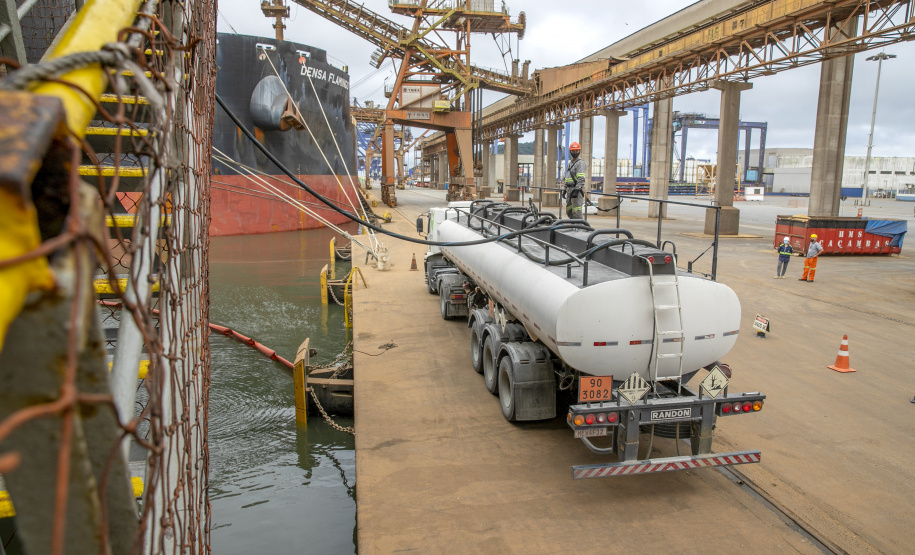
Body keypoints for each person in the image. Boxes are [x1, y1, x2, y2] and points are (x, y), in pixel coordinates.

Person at [562, 142, 587, 219]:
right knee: (569, 210)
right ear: (570, 151)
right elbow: (567, 178)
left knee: (577, 212)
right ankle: (573, 224)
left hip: (576, 191)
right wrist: (565, 189)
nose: (575, 152)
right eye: (573, 151)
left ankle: (579, 225)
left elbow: (581, 179)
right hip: (569, 190)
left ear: (579, 151)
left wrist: (577, 189)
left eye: (577, 151)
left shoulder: (580, 163)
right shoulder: (570, 164)